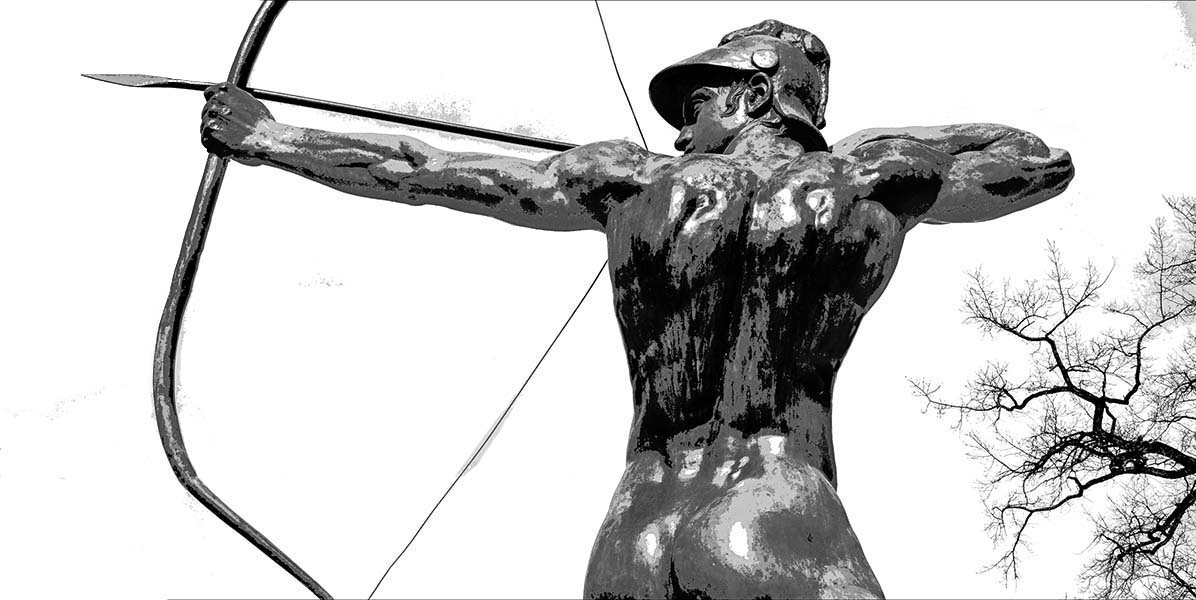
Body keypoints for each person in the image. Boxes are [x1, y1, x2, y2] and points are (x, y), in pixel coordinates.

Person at [201, 19, 1073, 600]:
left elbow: (424, 171)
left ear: (755, 94)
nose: (682, 132)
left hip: (633, 533)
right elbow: (1035, 161)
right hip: (772, 510)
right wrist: (861, 147)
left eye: (699, 105)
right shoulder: (863, 181)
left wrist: (270, 139)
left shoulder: (631, 179)